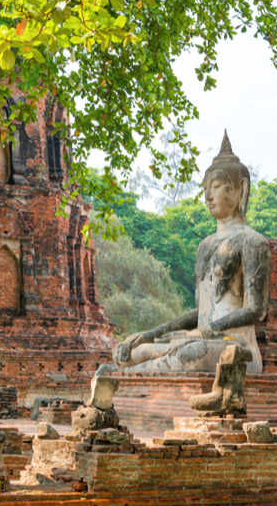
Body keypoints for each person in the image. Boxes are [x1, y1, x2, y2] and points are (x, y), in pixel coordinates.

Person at [113, 133, 268, 374]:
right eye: (206, 188)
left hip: (235, 346)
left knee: (189, 354)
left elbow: (255, 310)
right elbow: (200, 312)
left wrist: (204, 332)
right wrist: (152, 333)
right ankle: (128, 371)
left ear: (242, 189)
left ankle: (124, 376)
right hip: (200, 338)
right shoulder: (205, 246)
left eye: (216, 187)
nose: (208, 196)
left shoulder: (252, 242)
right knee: (131, 351)